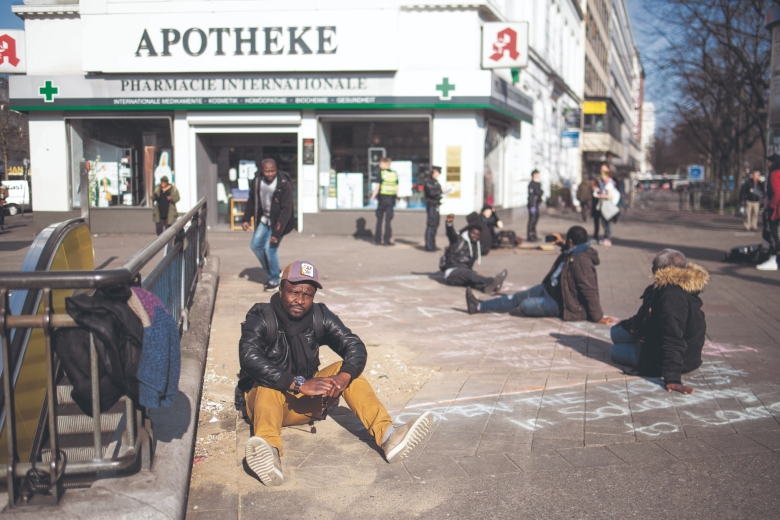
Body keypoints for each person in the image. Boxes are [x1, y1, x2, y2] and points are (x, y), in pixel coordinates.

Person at [238, 260, 433, 486]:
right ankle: (269, 455)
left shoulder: (319, 315)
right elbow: (249, 357)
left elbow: (354, 346)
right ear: (281, 289)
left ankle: (388, 436)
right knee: (265, 385)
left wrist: (344, 376)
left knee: (348, 370)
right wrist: (297, 383)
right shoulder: (261, 316)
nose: (300, 300)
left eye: (308, 294)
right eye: (294, 292)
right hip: (268, 407)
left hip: (306, 403)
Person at [466, 225, 614, 324]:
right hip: (548, 289)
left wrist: (598, 317)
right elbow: (570, 255)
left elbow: (589, 290)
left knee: (524, 305)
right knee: (516, 297)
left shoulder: (582, 261)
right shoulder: (574, 251)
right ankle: (479, 306)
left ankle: (500, 307)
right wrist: (562, 244)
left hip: (562, 303)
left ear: (571, 241)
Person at [610, 249, 708, 394]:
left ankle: (639, 347)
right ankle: (638, 340)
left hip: (673, 358)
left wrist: (673, 378)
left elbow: (673, 336)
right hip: (654, 335)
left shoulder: (671, 295)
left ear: (663, 270)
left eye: (654, 267)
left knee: (614, 351)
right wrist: (633, 325)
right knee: (615, 333)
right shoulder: (673, 285)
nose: (652, 271)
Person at [243, 158, 295, 292]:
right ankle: (274, 270)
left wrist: (276, 233)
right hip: (264, 219)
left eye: (272, 171)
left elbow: (286, 211)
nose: (270, 174)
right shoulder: (257, 181)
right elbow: (252, 200)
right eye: (267, 171)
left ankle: (274, 280)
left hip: (279, 222)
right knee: (255, 245)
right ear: (262, 171)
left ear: (276, 169)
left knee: (270, 249)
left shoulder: (284, 184)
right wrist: (246, 219)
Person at [441, 213, 507, 293]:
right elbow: (450, 233)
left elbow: (486, 248)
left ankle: (486, 287)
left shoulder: (476, 246)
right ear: (468, 232)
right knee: (470, 274)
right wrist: (449, 223)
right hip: (452, 272)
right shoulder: (458, 240)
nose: (475, 236)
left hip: (464, 273)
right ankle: (492, 280)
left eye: (478, 235)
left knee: (473, 281)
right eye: (473, 234)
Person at [757, 159, 780, 271]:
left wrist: (770, 207)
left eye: (769, 162)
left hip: (775, 209)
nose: (768, 164)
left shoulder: (774, 174)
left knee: (771, 232)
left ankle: (773, 259)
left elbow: (776, 193)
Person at [370, 157, 398, 246]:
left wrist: (372, 197)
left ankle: (378, 239)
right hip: (391, 200)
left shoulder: (381, 173)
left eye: (381, 163)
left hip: (382, 199)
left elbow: (377, 188)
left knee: (379, 219)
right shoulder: (394, 174)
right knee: (388, 221)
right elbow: (397, 187)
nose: (379, 165)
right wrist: (396, 198)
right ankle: (387, 240)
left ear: (386, 164)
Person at [594, 164, 620, 246]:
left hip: (607, 205)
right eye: (601, 170)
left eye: (604, 171)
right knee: (604, 222)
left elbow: (609, 196)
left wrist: (600, 195)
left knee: (606, 222)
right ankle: (605, 238)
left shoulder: (609, 183)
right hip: (604, 205)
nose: (602, 173)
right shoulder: (604, 183)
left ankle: (607, 239)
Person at [423, 166, 444, 251]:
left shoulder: (435, 182)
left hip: (436, 205)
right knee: (431, 225)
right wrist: (440, 192)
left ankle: (433, 244)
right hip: (431, 206)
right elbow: (432, 193)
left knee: (435, 224)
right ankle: (429, 245)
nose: (438, 175)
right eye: (437, 172)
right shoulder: (428, 182)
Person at [527, 169, 543, 242]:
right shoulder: (532, 184)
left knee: (535, 219)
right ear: (534, 175)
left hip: (536, 204)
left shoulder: (537, 184)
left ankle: (534, 235)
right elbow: (531, 196)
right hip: (533, 204)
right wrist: (532, 205)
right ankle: (530, 236)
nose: (538, 176)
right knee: (532, 220)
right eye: (537, 174)